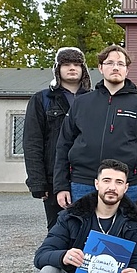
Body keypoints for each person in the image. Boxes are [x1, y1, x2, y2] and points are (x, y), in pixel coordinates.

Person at [54, 45, 137, 214]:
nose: (115, 67)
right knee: (82, 236)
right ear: (101, 68)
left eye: (120, 63)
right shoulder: (81, 103)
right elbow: (63, 145)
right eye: (110, 63)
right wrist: (61, 186)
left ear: (127, 70)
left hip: (128, 186)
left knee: (123, 237)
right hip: (83, 183)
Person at [24, 47, 92, 232]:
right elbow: (32, 143)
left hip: (89, 176)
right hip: (53, 178)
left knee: (88, 229)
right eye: (66, 64)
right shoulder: (42, 99)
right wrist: (38, 182)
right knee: (58, 230)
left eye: (77, 64)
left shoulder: (94, 99)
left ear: (83, 69)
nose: (72, 68)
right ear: (57, 68)